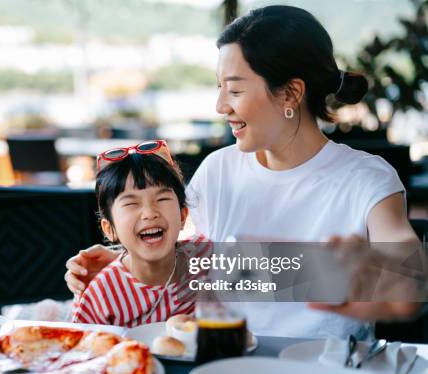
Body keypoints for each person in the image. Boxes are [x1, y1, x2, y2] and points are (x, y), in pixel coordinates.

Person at [66, 5, 423, 338]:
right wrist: (132, 263)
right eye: (219, 87)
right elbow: (197, 265)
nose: (221, 106)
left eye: (235, 90)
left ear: (290, 93)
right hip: (223, 373)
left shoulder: (366, 179)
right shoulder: (218, 170)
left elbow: (409, 276)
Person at [71, 140, 211, 327]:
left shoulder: (204, 256)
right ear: (109, 229)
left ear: (183, 215)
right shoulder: (102, 293)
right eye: (131, 204)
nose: (150, 213)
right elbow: (81, 348)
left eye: (162, 198)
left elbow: (261, 275)